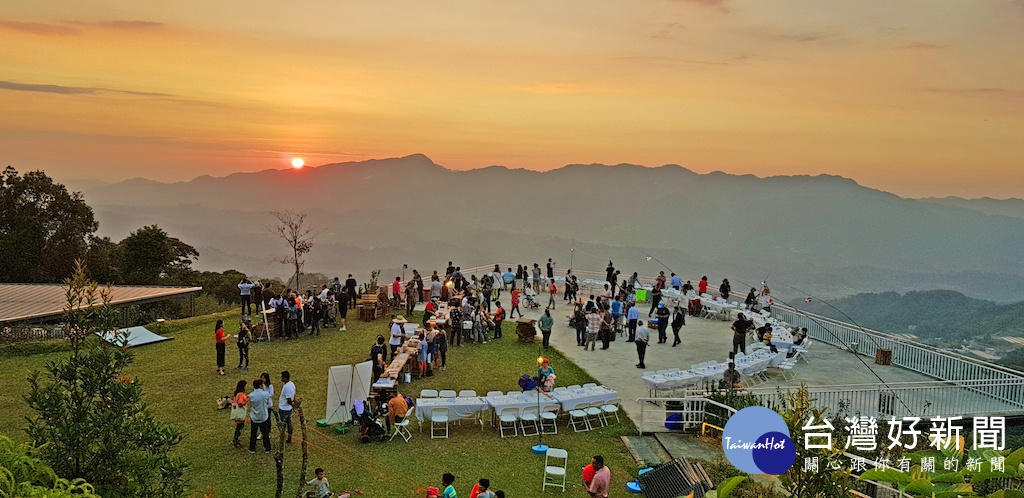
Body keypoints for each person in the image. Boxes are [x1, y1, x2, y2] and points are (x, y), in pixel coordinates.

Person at [248, 378, 272, 453]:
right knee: (265, 433)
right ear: (260, 385)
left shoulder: (251, 395)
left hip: (254, 416)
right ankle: (267, 448)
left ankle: (252, 448)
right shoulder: (265, 394)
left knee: (253, 432)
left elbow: (250, 405)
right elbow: (269, 403)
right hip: (263, 416)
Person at [279, 370, 296, 443]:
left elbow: (289, 399)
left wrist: (292, 404)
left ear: (285, 378)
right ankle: (289, 438)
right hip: (288, 408)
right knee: (289, 422)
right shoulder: (292, 384)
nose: (281, 378)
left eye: (282, 377)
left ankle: (284, 438)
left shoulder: (286, 387)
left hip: (284, 409)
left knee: (283, 425)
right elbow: (294, 395)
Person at [232, 379, 248, 448]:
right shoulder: (241, 394)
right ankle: (236, 440)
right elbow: (240, 404)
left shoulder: (237, 393)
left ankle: (236, 439)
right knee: (239, 428)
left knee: (238, 427)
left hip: (238, 413)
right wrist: (247, 400)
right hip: (240, 414)